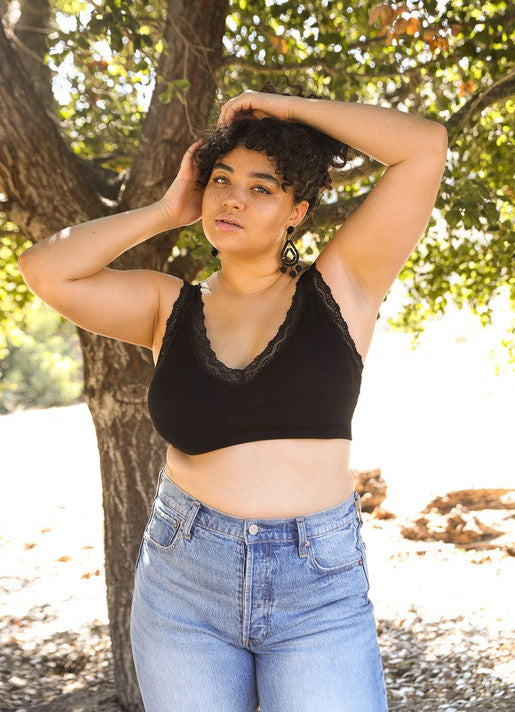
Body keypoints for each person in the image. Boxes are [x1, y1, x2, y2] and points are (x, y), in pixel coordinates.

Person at [17, 80, 448, 711]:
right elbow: (44, 268)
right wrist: (165, 211)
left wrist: (285, 108)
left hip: (316, 588)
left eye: (262, 188)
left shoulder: (344, 284)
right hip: (185, 580)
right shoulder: (167, 305)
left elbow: (424, 146)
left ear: (297, 210)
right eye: (222, 180)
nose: (234, 198)